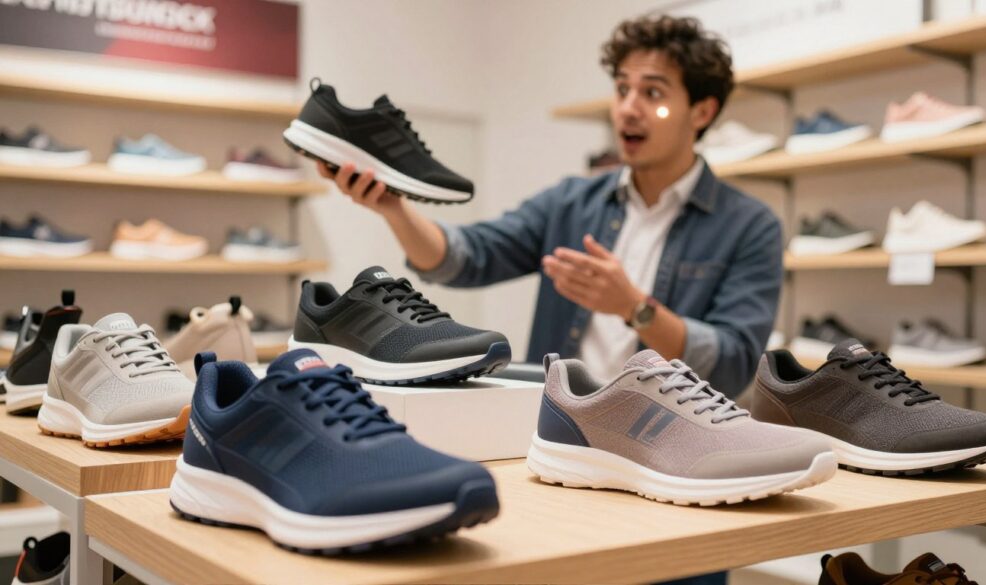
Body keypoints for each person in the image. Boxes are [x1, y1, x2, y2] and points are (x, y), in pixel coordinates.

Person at [317, 15, 783, 585]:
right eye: (622, 89)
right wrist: (392, 207)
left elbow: (733, 359)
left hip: (679, 463)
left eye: (654, 93)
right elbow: (467, 256)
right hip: (571, 449)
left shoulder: (749, 226)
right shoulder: (571, 203)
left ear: (702, 111)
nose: (629, 108)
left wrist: (634, 307)